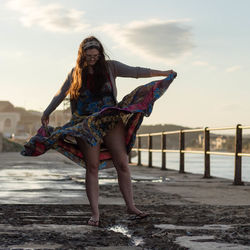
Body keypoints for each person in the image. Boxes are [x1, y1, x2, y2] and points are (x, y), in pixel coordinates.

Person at [22, 36, 177, 227]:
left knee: (122, 163)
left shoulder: (111, 67)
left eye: (95, 55)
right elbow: (60, 93)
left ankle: (131, 207)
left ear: (100, 53)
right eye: (89, 56)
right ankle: (95, 214)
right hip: (85, 124)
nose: (92, 58)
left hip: (110, 119)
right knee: (92, 167)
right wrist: (47, 111)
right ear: (82, 55)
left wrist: (163, 72)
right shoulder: (75, 73)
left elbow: (136, 72)